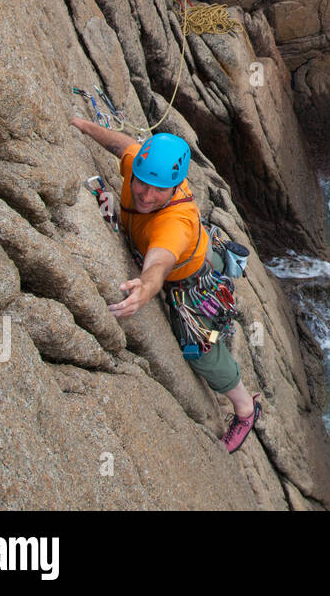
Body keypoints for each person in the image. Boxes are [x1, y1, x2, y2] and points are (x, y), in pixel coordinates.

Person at [71, 117, 262, 452]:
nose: (145, 194)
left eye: (159, 189)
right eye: (143, 184)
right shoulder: (143, 168)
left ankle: (246, 408)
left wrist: (145, 287)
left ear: (176, 185)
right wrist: (83, 125)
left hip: (189, 282)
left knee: (199, 351)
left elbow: (160, 259)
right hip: (198, 254)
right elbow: (121, 145)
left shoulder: (175, 222)